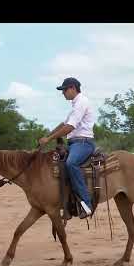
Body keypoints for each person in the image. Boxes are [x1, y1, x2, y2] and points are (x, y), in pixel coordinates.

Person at [38, 77, 96, 219]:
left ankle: (87, 204)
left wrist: (49, 139)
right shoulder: (75, 106)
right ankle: (66, 203)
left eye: (64, 90)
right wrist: (47, 136)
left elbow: (70, 127)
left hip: (83, 143)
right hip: (74, 144)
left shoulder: (81, 102)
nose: (63, 93)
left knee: (71, 163)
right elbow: (63, 124)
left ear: (72, 88)